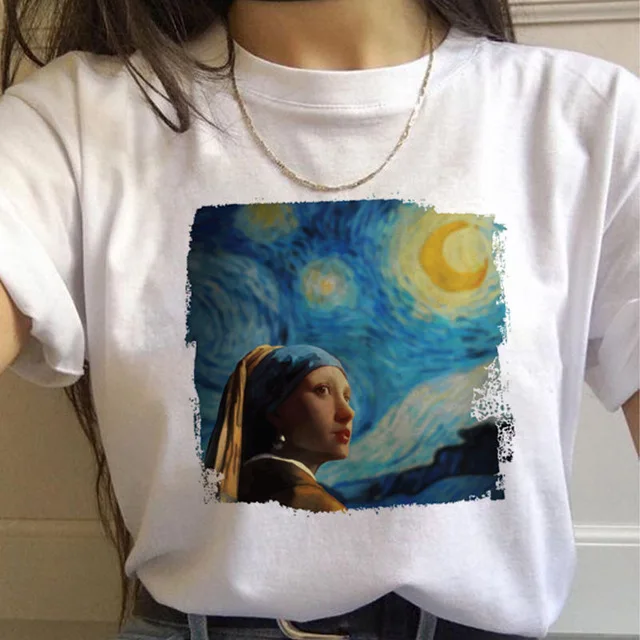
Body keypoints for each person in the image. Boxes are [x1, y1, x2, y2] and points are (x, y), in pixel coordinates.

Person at [0, 0, 638, 639]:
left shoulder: (590, 118)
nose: (348, 411)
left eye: (345, 391)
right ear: (273, 406)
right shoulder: (72, 124)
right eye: (325, 390)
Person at [204, 343, 352, 512]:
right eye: (322, 390)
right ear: (275, 412)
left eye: (346, 397)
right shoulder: (317, 507)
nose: (348, 412)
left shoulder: (244, 485)